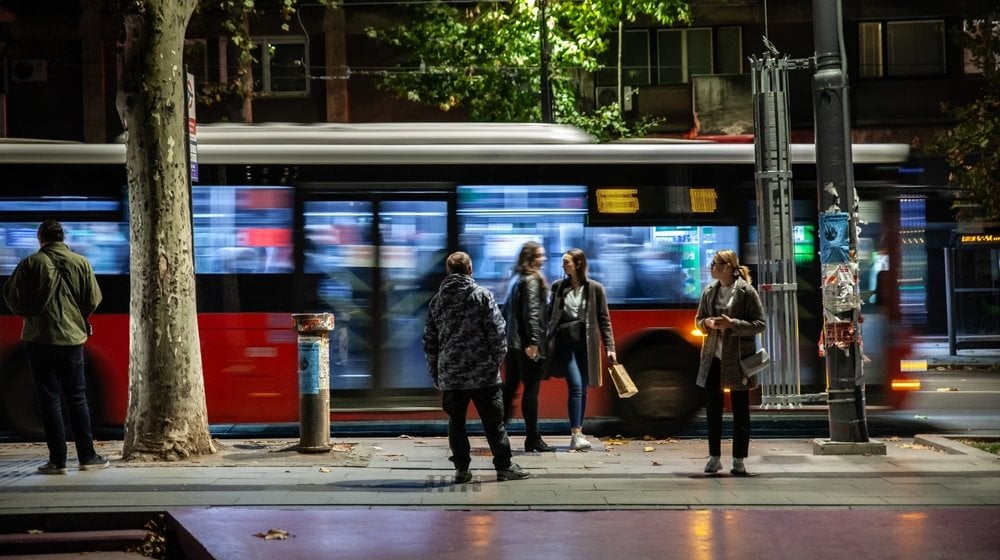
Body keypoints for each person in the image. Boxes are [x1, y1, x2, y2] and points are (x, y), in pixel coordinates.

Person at [2, 219, 109, 474]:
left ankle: (57, 461)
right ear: (62, 238)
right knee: (77, 397)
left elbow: (11, 296)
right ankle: (87, 456)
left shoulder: (30, 263)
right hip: (72, 340)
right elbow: (94, 299)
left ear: (41, 239)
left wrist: (28, 313)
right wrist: (76, 316)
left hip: (38, 339)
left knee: (49, 399)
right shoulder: (81, 262)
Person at [423, 251, 529, 483]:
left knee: (456, 423)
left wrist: (437, 371)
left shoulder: (437, 301)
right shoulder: (481, 296)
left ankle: (462, 470)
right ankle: (504, 467)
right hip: (483, 374)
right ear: (470, 269)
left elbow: (430, 340)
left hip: (451, 374)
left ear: (449, 271)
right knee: (494, 424)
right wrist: (494, 361)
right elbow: (498, 332)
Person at [695, 249, 765, 476]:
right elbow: (698, 321)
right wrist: (707, 322)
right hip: (713, 358)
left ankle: (738, 459)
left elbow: (760, 323)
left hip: (738, 359)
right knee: (713, 410)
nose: (710, 267)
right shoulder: (708, 292)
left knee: (740, 409)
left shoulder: (746, 292)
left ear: (726, 267)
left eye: (714, 263)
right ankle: (714, 457)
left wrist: (732, 324)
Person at [547, 248, 616, 451]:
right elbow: (551, 315)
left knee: (583, 389)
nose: (563, 265)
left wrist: (610, 347)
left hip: (587, 344)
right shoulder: (558, 287)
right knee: (576, 386)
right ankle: (576, 433)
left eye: (566, 262)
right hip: (564, 343)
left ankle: (579, 432)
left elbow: (604, 319)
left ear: (578, 264)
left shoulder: (595, 288)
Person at [501, 241, 554, 452]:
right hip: (526, 345)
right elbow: (532, 313)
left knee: (509, 390)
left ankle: (497, 431)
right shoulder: (532, 279)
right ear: (531, 258)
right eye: (541, 255)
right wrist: (533, 343)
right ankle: (532, 438)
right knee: (531, 391)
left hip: (512, 345)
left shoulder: (516, 279)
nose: (544, 258)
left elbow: (507, 312)